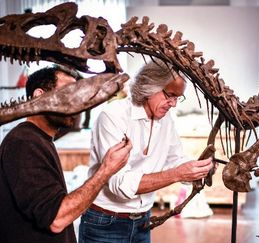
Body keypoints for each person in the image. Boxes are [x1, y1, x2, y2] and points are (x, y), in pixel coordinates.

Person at [78, 60, 214, 243]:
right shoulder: (113, 116)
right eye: (170, 95)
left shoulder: (166, 120)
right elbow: (120, 184)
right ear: (149, 86)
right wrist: (176, 174)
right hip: (104, 222)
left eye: (178, 98)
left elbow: (175, 159)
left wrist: (197, 169)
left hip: (143, 221)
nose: (173, 104)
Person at [0, 66, 132, 243]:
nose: (77, 103)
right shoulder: (24, 143)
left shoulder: (39, 139)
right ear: (39, 96)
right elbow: (57, 218)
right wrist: (106, 170)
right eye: (69, 93)